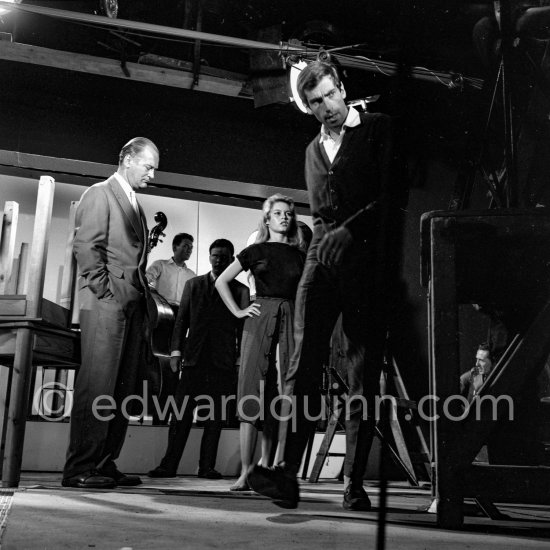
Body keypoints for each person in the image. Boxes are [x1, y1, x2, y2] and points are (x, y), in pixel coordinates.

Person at [248, 60, 406, 511]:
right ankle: (286, 472)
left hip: (366, 265)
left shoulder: (378, 129)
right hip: (322, 260)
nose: (325, 108)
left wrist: (350, 230)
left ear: (342, 88)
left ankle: (353, 485)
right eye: (315, 102)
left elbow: (393, 195)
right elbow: (319, 215)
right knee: (300, 365)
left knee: (361, 373)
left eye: (330, 96)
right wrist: (325, 241)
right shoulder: (311, 151)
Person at [62, 137, 159, 489]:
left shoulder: (136, 204)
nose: (152, 175)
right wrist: (106, 293)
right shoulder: (100, 194)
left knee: (122, 390)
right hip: (107, 305)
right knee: (98, 387)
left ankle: (104, 462)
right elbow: (86, 247)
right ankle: (78, 469)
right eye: (148, 167)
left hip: (131, 308)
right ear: (127, 159)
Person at [215, 194, 306, 492]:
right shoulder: (255, 250)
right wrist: (239, 310)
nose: (284, 217)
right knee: (250, 392)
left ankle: (272, 470)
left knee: (283, 394)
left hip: (290, 317)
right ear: (267, 219)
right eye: (278, 213)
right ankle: (246, 473)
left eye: (288, 214)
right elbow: (221, 281)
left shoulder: (300, 254)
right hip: (259, 316)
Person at [148, 239, 249, 479]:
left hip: (222, 362)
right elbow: (181, 321)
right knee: (180, 415)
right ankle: (168, 466)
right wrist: (175, 353)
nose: (218, 260)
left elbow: (243, 330)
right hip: (193, 360)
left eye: (223, 256)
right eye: (214, 255)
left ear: (231, 258)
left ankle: (207, 467)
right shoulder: (193, 285)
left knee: (214, 419)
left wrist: (238, 361)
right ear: (209, 256)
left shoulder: (240, 290)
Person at [146, 233, 196, 423]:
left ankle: (171, 414)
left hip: (181, 318)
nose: (189, 249)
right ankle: (156, 412)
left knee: (175, 365)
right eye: (185, 246)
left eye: (191, 247)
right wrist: (152, 291)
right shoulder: (160, 265)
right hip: (162, 313)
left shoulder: (191, 275)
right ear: (175, 247)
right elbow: (145, 280)